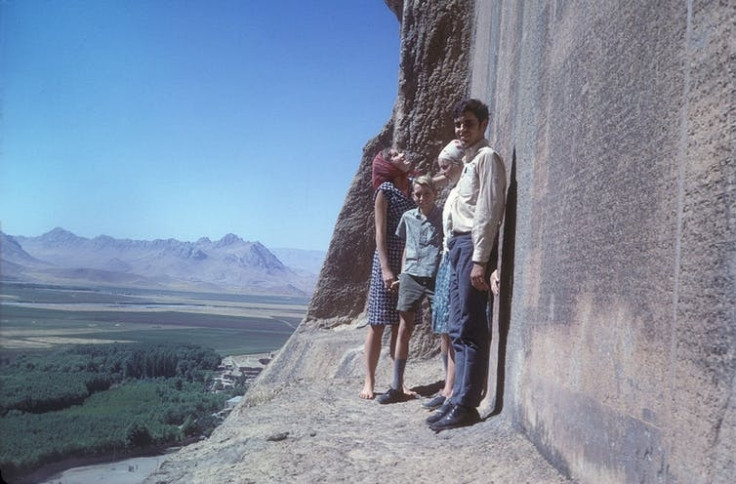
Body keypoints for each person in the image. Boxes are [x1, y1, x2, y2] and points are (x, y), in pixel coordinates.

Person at [427, 99, 506, 431]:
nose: (462, 130)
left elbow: (487, 213)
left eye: (469, 124)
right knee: (458, 325)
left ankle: (467, 404)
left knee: (471, 326)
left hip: (472, 246)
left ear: (484, 124)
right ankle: (457, 399)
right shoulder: (467, 163)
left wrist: (480, 261)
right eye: (458, 124)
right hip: (458, 246)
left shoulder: (488, 159)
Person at [377, 175, 443, 404]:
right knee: (404, 327)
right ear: (413, 196)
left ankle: (449, 389)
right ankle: (396, 386)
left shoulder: (444, 215)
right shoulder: (408, 217)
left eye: (426, 194)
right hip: (412, 275)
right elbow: (406, 246)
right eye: (417, 194)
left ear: (435, 194)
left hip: (436, 275)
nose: (422, 198)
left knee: (444, 328)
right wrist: (404, 273)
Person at [360, 148, 416, 400]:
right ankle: (369, 381)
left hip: (409, 260)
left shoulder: (413, 188)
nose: (402, 154)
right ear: (387, 165)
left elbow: (437, 181)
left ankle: (398, 381)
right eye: (395, 154)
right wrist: (385, 268)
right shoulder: (384, 192)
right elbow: (380, 234)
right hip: (387, 260)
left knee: (400, 324)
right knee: (378, 323)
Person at [421, 140, 466, 410]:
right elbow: (432, 182)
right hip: (447, 259)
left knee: (451, 326)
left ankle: (451, 389)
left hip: (455, 259)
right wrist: (444, 171)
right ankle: (447, 385)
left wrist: (450, 169)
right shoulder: (453, 187)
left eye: (445, 167)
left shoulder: (464, 188)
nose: (442, 173)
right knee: (443, 329)